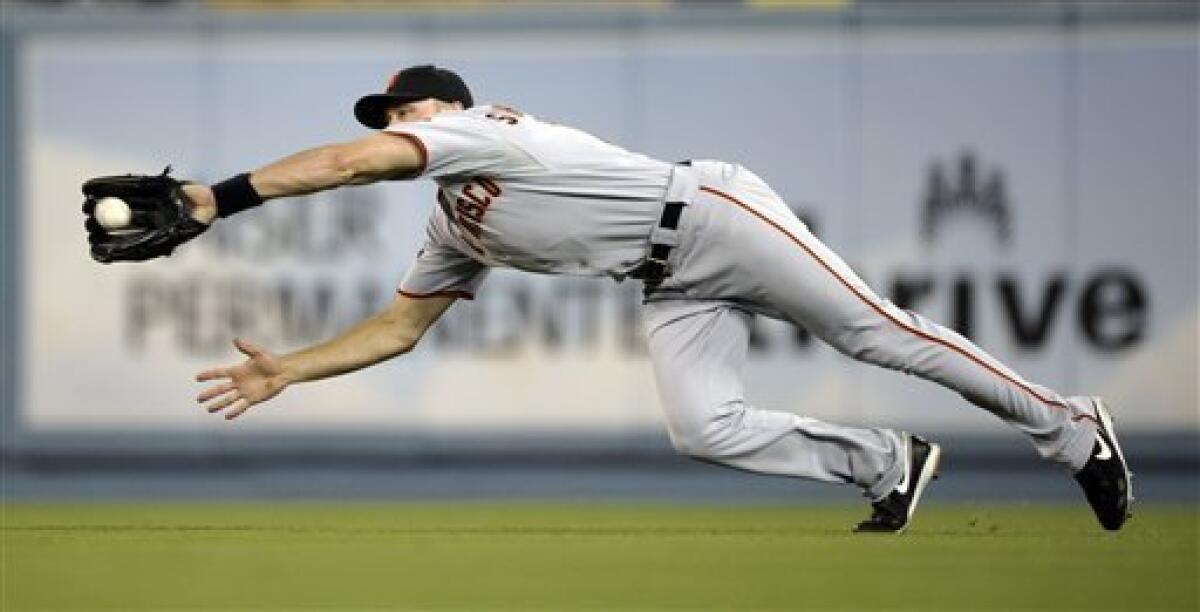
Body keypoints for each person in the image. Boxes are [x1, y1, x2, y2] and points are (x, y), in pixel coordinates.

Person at [190, 64, 1132, 533]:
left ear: (448, 107)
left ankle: (1070, 425)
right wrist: (292, 370)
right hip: (671, 277)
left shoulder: (482, 130)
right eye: (390, 117)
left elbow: (354, 163)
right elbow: (400, 327)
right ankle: (886, 464)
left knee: (878, 335)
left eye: (405, 111)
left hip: (717, 214)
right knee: (703, 426)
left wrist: (215, 199)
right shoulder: (453, 223)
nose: (396, 125)